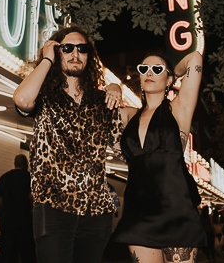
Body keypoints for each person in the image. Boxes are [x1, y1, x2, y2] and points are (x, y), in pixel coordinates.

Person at [12, 25, 122, 263]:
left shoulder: (102, 101)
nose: (75, 53)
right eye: (67, 48)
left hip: (97, 212)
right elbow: (21, 99)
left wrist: (115, 87)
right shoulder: (43, 96)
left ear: (89, 56)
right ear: (57, 51)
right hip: (52, 207)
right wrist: (46, 59)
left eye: (82, 49)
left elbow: (122, 147)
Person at [110, 51, 206, 263]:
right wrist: (113, 87)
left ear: (169, 78)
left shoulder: (179, 108)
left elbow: (195, 58)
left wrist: (173, 72)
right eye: (143, 69)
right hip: (138, 212)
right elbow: (94, 115)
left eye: (157, 69)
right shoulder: (128, 115)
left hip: (176, 210)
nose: (149, 73)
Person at [0, 154, 36, 263]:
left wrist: (2, 220)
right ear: (25, 164)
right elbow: (32, 200)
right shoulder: (29, 178)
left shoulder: (3, 178)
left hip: (7, 225)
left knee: (7, 258)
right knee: (28, 257)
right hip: (25, 225)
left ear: (15, 163)